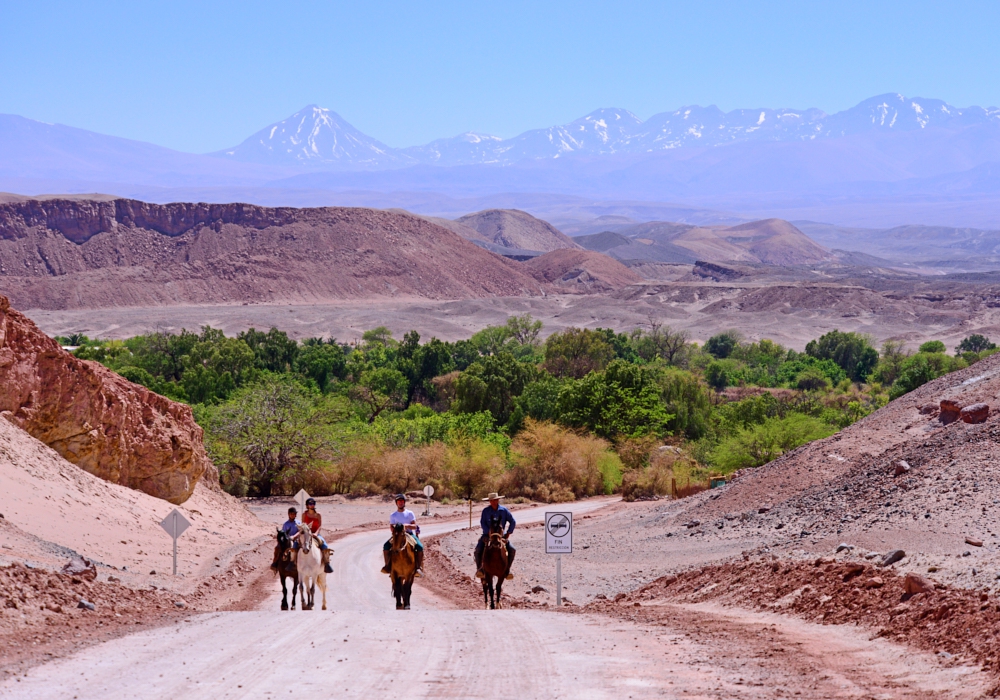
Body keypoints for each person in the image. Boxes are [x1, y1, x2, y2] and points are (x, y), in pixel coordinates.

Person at [474, 492, 516, 581]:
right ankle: (480, 569)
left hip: (501, 537)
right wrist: (488, 533)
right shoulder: (485, 511)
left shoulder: (504, 510)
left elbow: (512, 521)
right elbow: (483, 523)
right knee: (478, 550)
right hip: (487, 535)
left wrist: (508, 533)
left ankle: (507, 570)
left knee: (512, 549)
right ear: (489, 501)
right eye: (491, 500)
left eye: (495, 500)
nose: (493, 502)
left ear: (498, 500)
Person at [380, 493, 424, 577]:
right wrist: (397, 530)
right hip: (397, 536)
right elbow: (391, 527)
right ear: (396, 503)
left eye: (402, 501)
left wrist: (405, 526)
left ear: (404, 502)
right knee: (386, 546)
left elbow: (414, 526)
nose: (400, 503)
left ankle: (418, 568)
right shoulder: (393, 515)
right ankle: (388, 566)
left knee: (420, 547)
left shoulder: (410, 513)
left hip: (409, 534)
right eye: (399, 501)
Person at [302, 498, 334, 574]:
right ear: (307, 505)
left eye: (313, 504)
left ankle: (327, 563)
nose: (312, 505)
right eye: (310, 504)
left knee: (325, 546)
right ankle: (293, 563)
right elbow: (303, 526)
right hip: (307, 534)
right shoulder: (304, 514)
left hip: (316, 534)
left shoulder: (318, 515)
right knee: (296, 544)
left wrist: (316, 533)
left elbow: (319, 526)